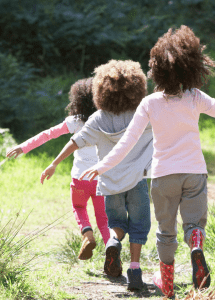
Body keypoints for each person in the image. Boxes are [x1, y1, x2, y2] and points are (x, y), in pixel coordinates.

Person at [78, 26, 215, 298]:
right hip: (194, 173)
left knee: (165, 233)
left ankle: (167, 285)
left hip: (162, 177)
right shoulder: (195, 98)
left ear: (156, 68)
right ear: (192, 67)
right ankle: (195, 243)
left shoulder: (149, 103)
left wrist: (103, 166)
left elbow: (127, 142)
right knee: (194, 224)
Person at [40, 60, 153, 291]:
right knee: (139, 226)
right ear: (136, 87)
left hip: (109, 183)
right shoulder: (141, 115)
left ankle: (112, 243)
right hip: (137, 182)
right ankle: (134, 271)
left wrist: (53, 163)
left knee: (117, 224)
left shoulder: (98, 118)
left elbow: (74, 142)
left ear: (101, 90)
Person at [6, 78, 110, 260]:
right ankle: (112, 253)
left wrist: (23, 147)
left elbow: (48, 134)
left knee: (78, 206)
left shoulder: (76, 122)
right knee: (103, 218)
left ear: (78, 100)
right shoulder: (106, 120)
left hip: (80, 178)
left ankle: (87, 234)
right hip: (101, 178)